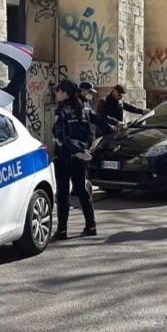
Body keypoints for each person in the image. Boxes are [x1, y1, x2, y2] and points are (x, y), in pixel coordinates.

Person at [52, 79, 96, 239]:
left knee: (63, 194)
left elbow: (61, 136)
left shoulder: (61, 111)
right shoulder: (83, 109)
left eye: (58, 90)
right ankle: (91, 226)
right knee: (82, 191)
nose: (56, 93)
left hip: (64, 157)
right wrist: (83, 149)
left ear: (64, 93)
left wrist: (74, 149)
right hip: (79, 158)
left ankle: (62, 230)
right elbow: (90, 135)